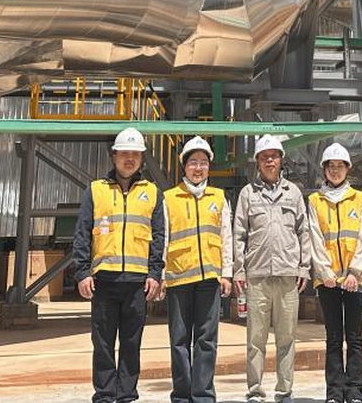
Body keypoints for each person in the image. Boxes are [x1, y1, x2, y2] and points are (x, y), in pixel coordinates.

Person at [71, 127, 165, 403]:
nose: (129, 159)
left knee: (131, 342)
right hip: (104, 280)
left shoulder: (152, 192)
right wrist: (82, 272)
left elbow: (158, 237)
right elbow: (82, 233)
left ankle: (126, 394)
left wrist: (155, 273)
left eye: (135, 154)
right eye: (124, 153)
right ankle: (104, 394)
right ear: (114, 156)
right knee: (102, 342)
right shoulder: (96, 190)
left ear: (142, 159)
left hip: (137, 282)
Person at [233, 134, 311, 403]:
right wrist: (239, 270)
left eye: (274, 157)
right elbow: (239, 234)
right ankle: (255, 390)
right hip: (257, 276)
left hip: (288, 275)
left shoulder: (293, 193)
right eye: (265, 157)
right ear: (257, 162)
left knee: (287, 338)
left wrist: (304, 267)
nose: (269, 161)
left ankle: (284, 390)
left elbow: (304, 232)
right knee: (255, 339)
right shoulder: (247, 194)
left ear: (281, 160)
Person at [162, 136, 233, 403]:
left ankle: (203, 395)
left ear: (209, 167)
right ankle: (182, 395)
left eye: (203, 162)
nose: (198, 168)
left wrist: (226, 273)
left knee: (206, 340)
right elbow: (163, 238)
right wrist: (160, 276)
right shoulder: (170, 198)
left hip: (209, 279)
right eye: (193, 162)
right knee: (179, 340)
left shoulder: (219, 197)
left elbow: (226, 236)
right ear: (184, 166)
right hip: (179, 277)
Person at [307, 142, 362, 403]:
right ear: (324, 170)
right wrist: (325, 272)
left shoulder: (359, 199)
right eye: (330, 166)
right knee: (333, 337)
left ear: (347, 169)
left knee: (354, 338)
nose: (335, 170)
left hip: (355, 280)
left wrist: (356, 272)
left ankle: (354, 392)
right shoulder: (315, 201)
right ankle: (334, 393)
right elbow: (315, 237)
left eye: (339, 166)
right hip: (328, 281)